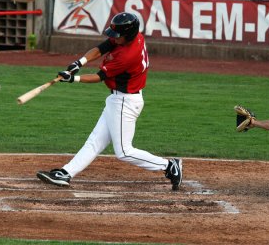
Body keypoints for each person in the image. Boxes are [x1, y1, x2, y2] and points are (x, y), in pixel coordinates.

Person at [36, 12, 183, 191]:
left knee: (124, 151)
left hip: (125, 102)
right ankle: (66, 173)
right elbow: (104, 46)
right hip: (118, 100)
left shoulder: (127, 56)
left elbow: (100, 76)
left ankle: (169, 166)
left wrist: (72, 79)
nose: (114, 38)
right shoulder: (132, 37)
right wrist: (79, 62)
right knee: (95, 141)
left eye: (117, 35)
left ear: (126, 35)